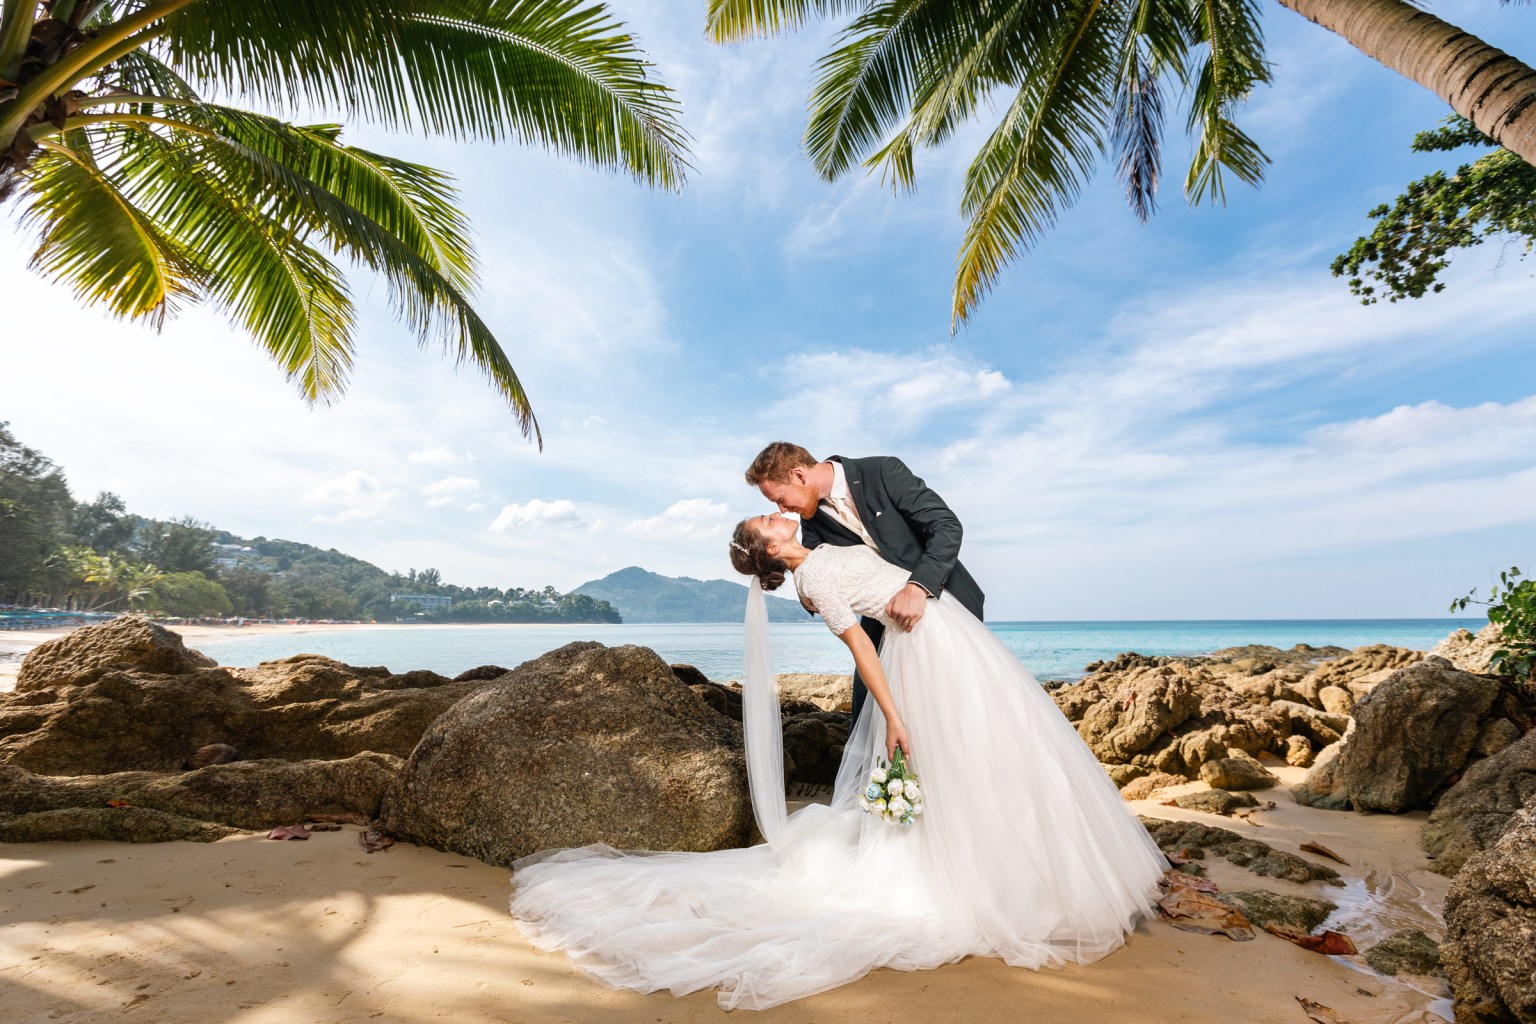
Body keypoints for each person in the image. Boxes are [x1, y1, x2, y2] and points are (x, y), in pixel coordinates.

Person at [509, 513, 1167, 1011]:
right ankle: (994, 879)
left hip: (947, 637)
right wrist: (897, 714)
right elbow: (864, 651)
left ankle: (1023, 863)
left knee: (999, 751)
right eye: (765, 519)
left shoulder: (820, 556)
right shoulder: (816, 576)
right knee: (969, 757)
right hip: (922, 656)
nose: (775, 513)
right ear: (769, 547)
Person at [745, 442, 984, 720]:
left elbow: (946, 526)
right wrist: (805, 594)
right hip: (883, 624)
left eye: (780, 498)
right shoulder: (811, 517)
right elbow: (811, 570)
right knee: (866, 716)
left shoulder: (882, 471)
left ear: (799, 476)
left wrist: (917, 587)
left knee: (964, 704)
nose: (783, 510)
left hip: (945, 603)